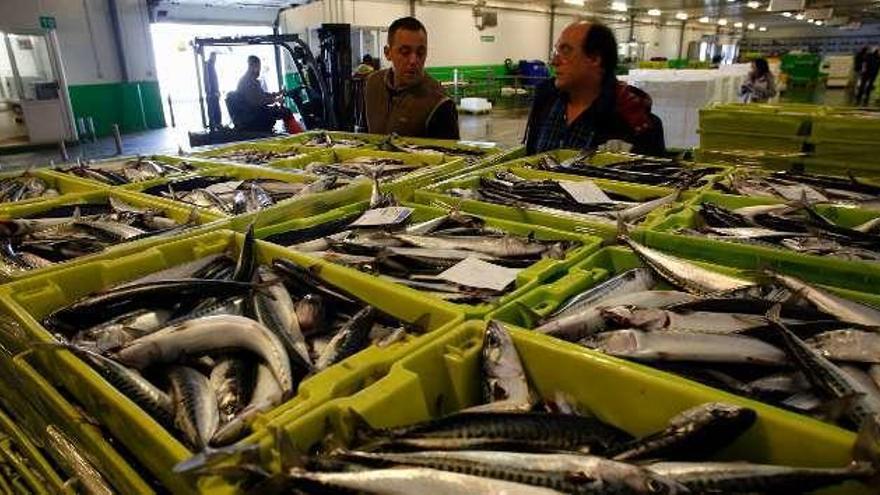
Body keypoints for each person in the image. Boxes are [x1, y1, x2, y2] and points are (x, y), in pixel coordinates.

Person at [524, 20, 665, 156]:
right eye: (556, 52)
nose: (554, 61)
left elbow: (649, 177)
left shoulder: (634, 118)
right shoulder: (546, 100)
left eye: (566, 51)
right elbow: (529, 158)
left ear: (595, 59)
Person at [365, 17, 459, 139]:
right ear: (387, 53)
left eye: (420, 53)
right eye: (405, 52)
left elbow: (450, 154)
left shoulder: (439, 102)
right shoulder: (373, 84)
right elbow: (364, 133)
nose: (414, 60)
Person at [233, 55, 300, 133]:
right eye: (259, 67)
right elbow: (258, 101)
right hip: (255, 114)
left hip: (253, 112)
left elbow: (261, 94)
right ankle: (297, 134)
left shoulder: (248, 80)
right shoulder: (248, 82)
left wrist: (276, 94)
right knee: (286, 112)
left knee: (281, 110)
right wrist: (275, 100)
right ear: (254, 66)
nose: (259, 70)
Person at [204, 52, 222, 129]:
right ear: (211, 56)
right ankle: (215, 125)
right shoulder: (209, 65)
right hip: (212, 93)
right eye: (214, 57)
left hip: (213, 92)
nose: (215, 59)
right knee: (214, 110)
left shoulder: (210, 65)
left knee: (215, 109)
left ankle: (216, 124)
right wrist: (212, 92)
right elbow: (209, 80)